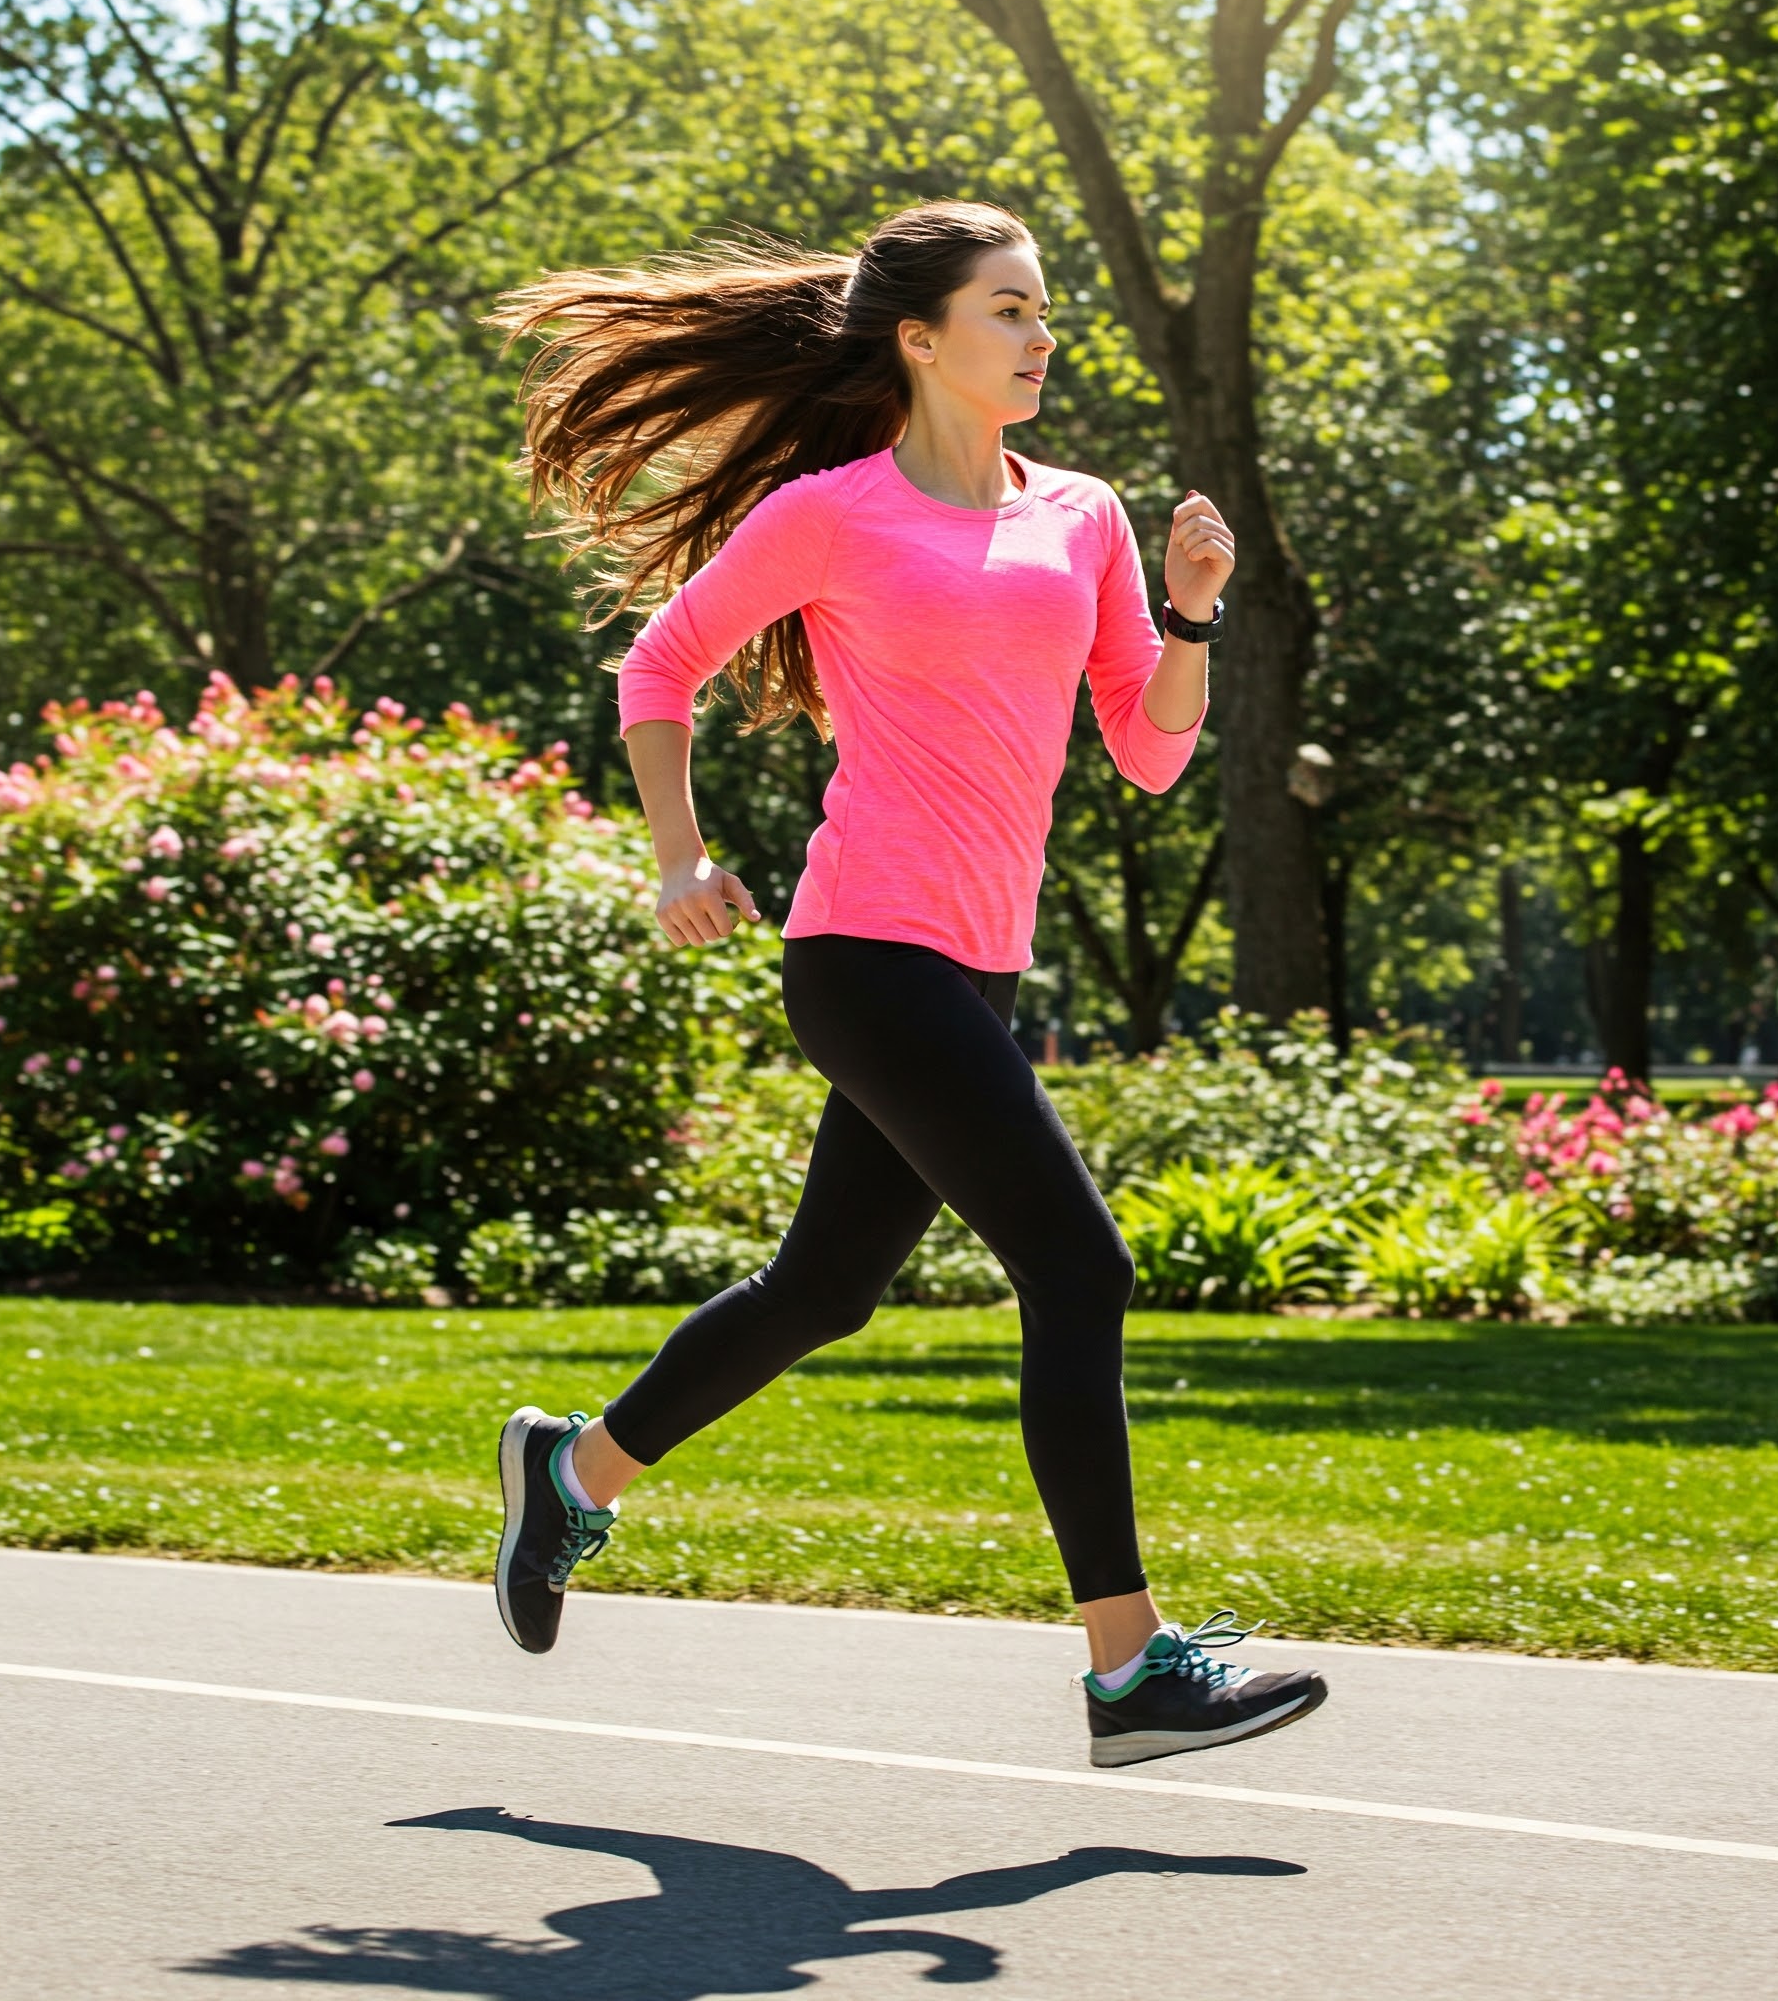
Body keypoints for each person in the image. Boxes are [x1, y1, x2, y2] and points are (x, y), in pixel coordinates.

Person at [485, 198, 1327, 1768]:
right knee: (1080, 1273)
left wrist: (1197, 611)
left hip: (976, 966)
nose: (1039, 335)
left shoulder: (1081, 513)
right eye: (1008, 310)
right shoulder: (832, 515)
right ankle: (1128, 1669)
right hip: (866, 953)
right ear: (922, 339)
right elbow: (656, 667)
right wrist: (679, 856)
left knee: (827, 1290)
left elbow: (1148, 753)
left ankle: (573, 1474)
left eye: (1043, 310)